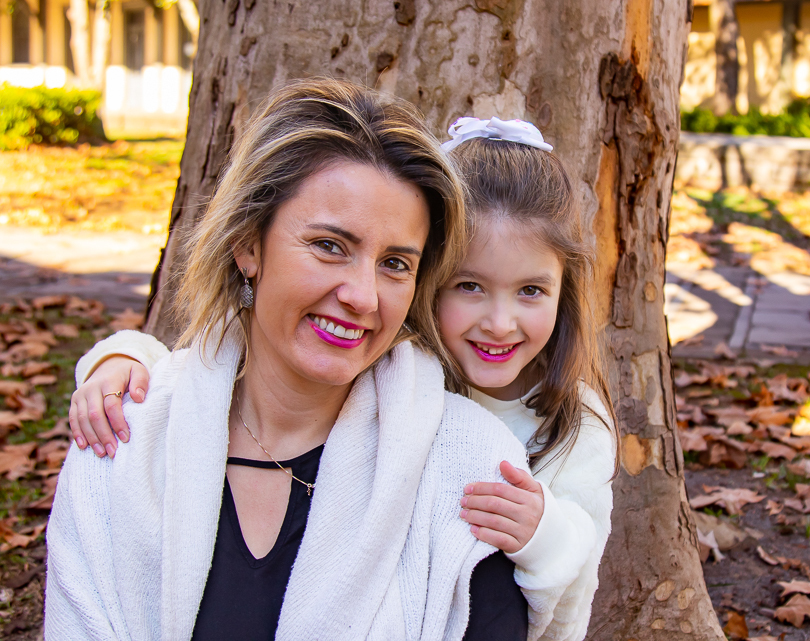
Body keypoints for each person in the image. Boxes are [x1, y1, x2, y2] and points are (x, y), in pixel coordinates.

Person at [69, 119, 618, 641]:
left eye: (394, 263)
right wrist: (121, 358)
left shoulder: (540, 436)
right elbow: (209, 364)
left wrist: (548, 538)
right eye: (469, 286)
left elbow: (569, 604)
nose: (499, 323)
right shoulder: (140, 436)